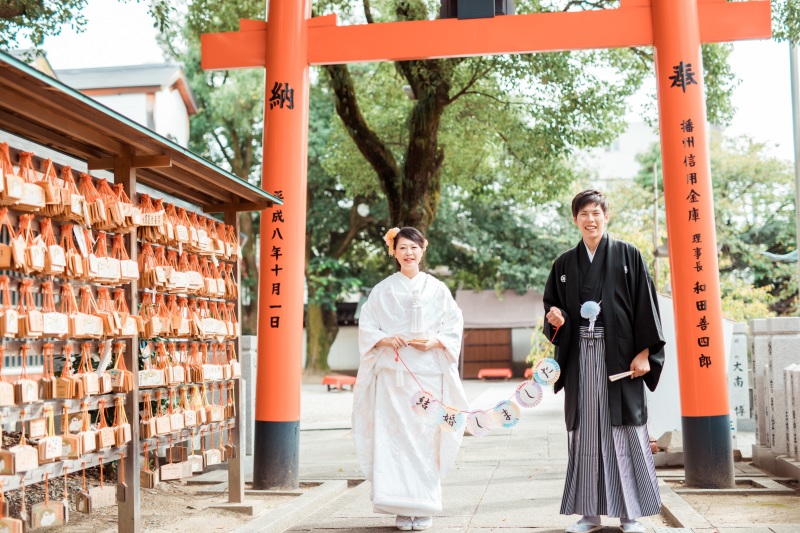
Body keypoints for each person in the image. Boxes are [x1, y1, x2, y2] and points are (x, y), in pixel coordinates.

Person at [543, 190, 666, 533]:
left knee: (624, 432)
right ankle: (589, 514)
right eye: (583, 213)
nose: (590, 219)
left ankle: (630, 515)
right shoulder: (564, 264)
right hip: (580, 358)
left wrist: (645, 353)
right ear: (575, 219)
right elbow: (552, 307)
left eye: (596, 213)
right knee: (585, 433)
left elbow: (646, 305)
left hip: (620, 359)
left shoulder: (628, 255)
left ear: (606, 216)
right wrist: (555, 318)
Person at [353, 226, 468, 532]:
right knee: (394, 438)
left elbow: (453, 323)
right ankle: (401, 508)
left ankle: (424, 505)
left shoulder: (437, 289)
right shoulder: (383, 290)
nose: (409, 253)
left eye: (414, 247)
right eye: (402, 247)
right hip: (394, 378)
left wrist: (436, 342)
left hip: (428, 375)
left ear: (423, 250)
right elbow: (368, 325)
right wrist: (385, 339)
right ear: (394, 251)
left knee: (426, 437)